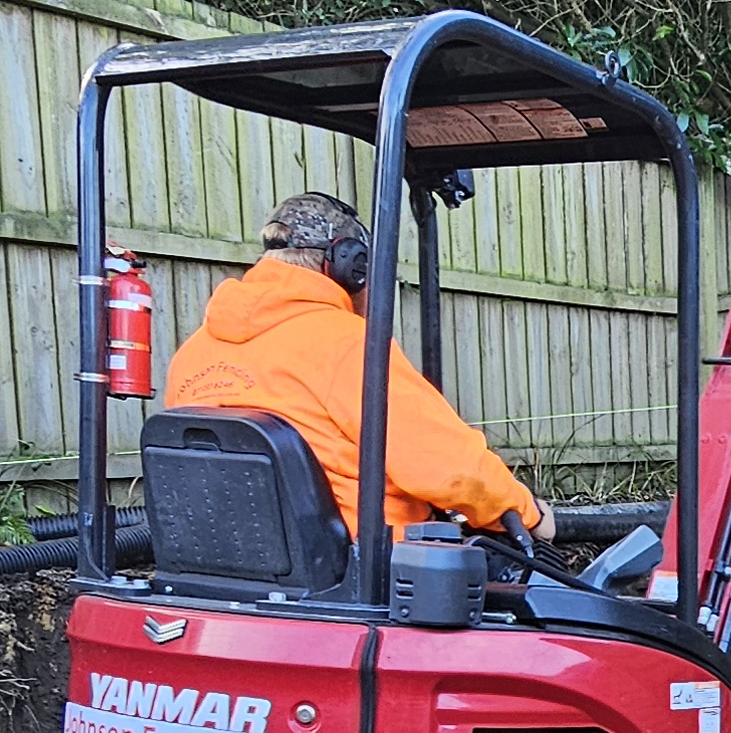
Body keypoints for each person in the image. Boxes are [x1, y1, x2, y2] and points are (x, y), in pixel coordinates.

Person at [163, 190, 548, 541]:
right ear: (352, 266)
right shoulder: (346, 344)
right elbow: (447, 468)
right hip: (368, 574)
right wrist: (526, 514)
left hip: (232, 571)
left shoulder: (191, 355)